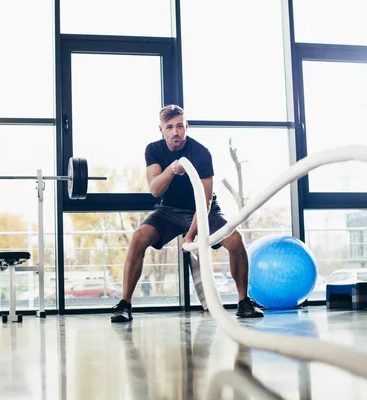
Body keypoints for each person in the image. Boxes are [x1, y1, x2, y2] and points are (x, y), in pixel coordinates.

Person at [111, 104, 264, 322]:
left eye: (180, 126)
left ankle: (244, 302)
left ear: (186, 126)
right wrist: (172, 170)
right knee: (138, 238)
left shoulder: (201, 153)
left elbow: (205, 200)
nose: (176, 132)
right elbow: (155, 190)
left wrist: (191, 235)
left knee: (236, 240)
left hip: (203, 211)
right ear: (161, 129)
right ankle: (124, 304)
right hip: (168, 211)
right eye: (170, 127)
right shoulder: (153, 150)